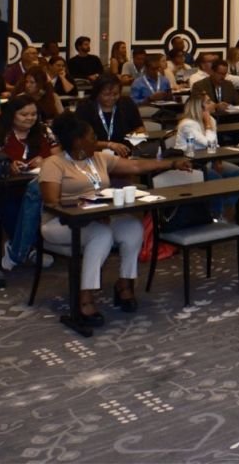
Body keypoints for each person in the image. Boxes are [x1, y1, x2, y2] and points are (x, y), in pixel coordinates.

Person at [40, 112, 196, 327]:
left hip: (98, 217)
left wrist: (172, 164)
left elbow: (136, 166)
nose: (97, 141)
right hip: (61, 223)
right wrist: (89, 210)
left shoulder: (98, 158)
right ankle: (85, 296)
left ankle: (124, 283)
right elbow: (51, 202)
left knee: (133, 227)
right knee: (101, 235)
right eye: (92, 137)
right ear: (78, 141)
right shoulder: (54, 163)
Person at [77, 77, 144, 155]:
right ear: (97, 94)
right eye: (106, 94)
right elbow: (81, 140)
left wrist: (130, 143)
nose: (112, 98)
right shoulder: (85, 108)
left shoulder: (127, 104)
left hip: (123, 154)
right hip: (93, 155)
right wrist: (109, 145)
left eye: (115, 94)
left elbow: (140, 129)